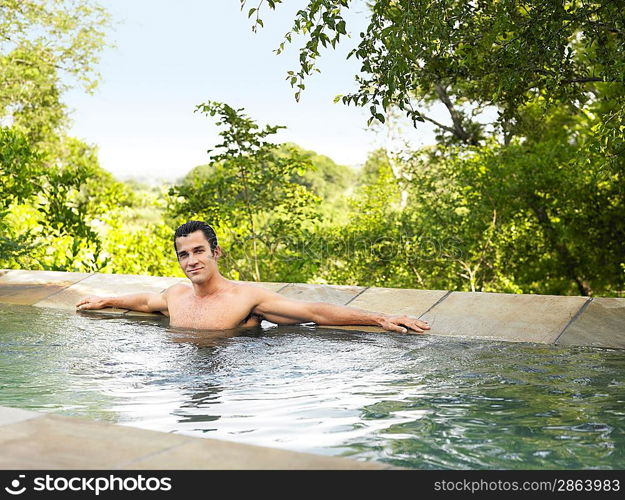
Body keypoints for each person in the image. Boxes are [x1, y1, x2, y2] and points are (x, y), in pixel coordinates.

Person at [76, 221, 431, 334]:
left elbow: (314, 313)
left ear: (215, 253)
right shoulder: (176, 295)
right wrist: (107, 299)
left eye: (198, 251)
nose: (191, 260)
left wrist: (380, 318)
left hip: (234, 377)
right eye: (183, 254)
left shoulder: (245, 298)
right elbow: (145, 302)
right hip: (178, 379)